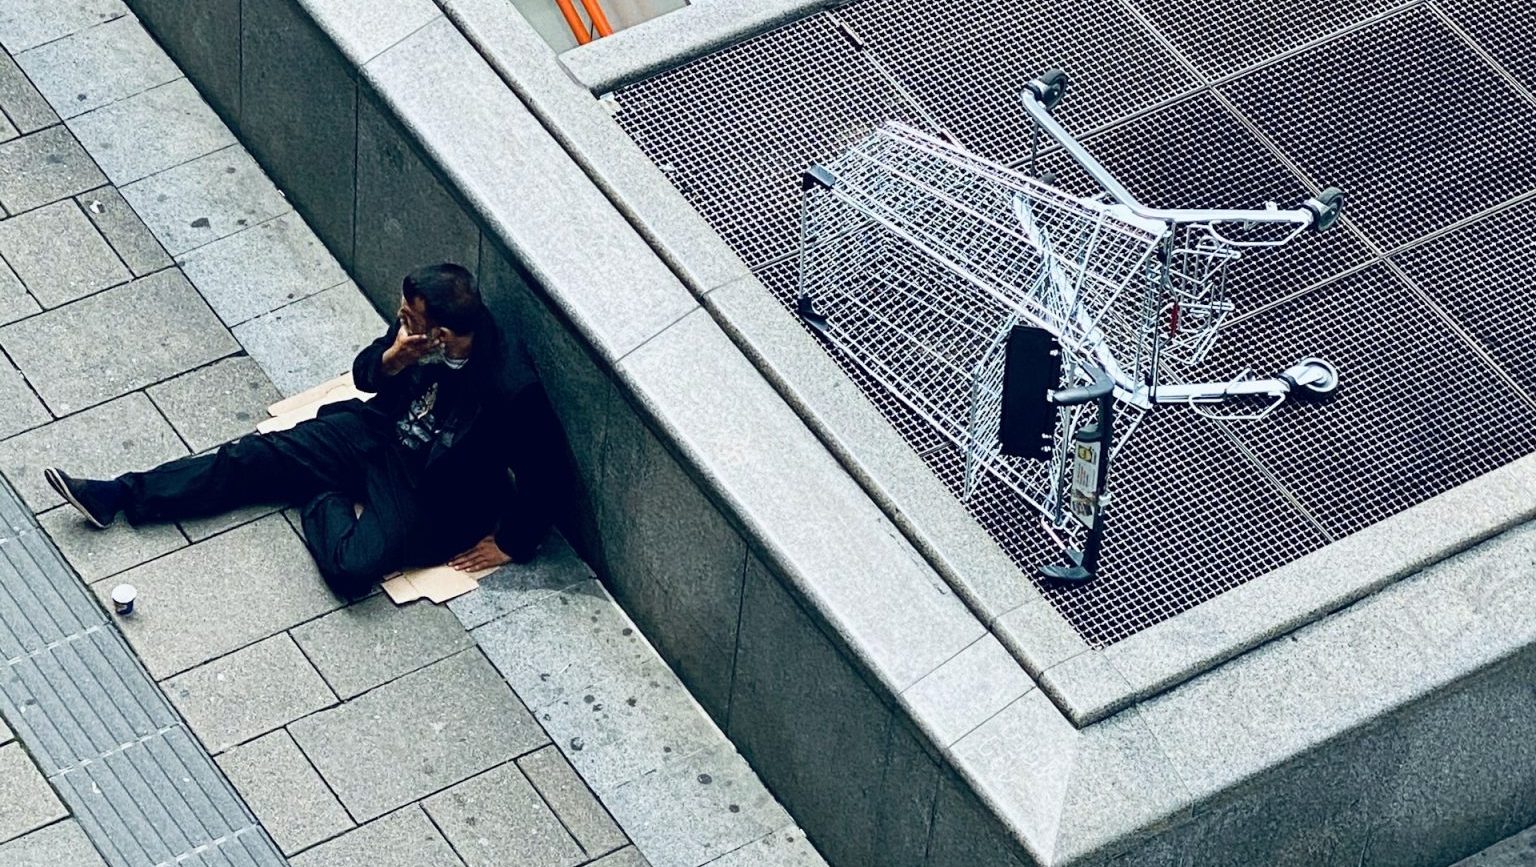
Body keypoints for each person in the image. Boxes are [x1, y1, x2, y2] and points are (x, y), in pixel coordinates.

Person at [43, 263, 559, 598]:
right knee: (249, 457)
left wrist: (514, 541)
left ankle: (316, 486)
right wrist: (391, 360)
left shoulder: (510, 386)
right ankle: (120, 495)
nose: (400, 321)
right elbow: (363, 378)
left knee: (351, 569)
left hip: (430, 492)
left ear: (442, 333)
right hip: (376, 435)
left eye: (408, 318)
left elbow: (547, 470)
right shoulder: (413, 335)